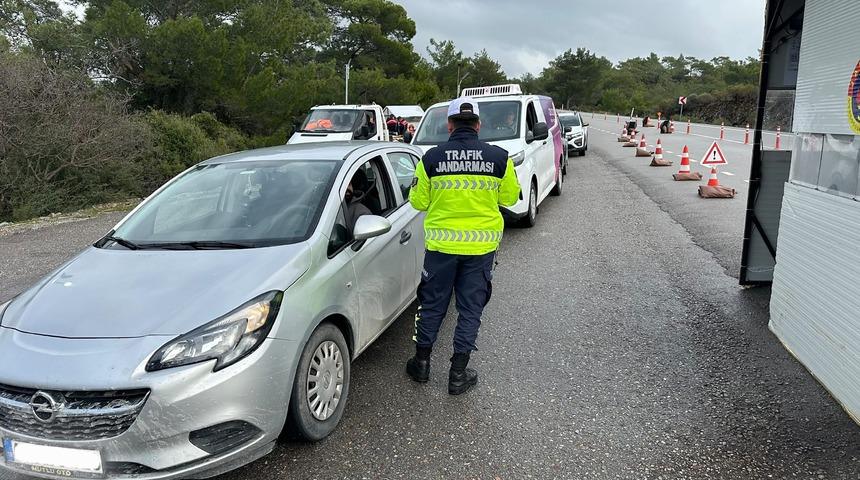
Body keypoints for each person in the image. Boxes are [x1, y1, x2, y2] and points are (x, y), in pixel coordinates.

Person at [406, 97, 521, 395]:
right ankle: (458, 375)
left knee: (432, 305)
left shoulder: (431, 158)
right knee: (470, 309)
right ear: (478, 125)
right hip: (480, 250)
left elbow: (418, 201)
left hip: (440, 249)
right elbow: (510, 198)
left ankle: (421, 364)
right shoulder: (500, 158)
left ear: (449, 125)